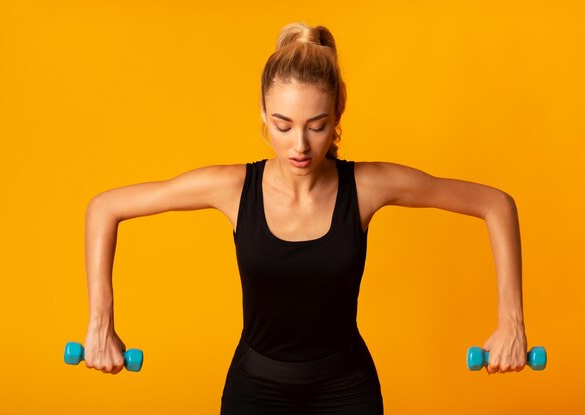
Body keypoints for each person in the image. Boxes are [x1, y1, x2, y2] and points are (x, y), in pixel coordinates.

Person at [83, 22, 528, 414]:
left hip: (347, 390)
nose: (299, 144)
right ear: (262, 112)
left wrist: (512, 321)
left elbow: (496, 204)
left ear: (338, 114)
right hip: (254, 391)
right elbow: (105, 207)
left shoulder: (367, 187)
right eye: (283, 125)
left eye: (316, 125)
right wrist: (100, 325)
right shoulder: (233, 188)